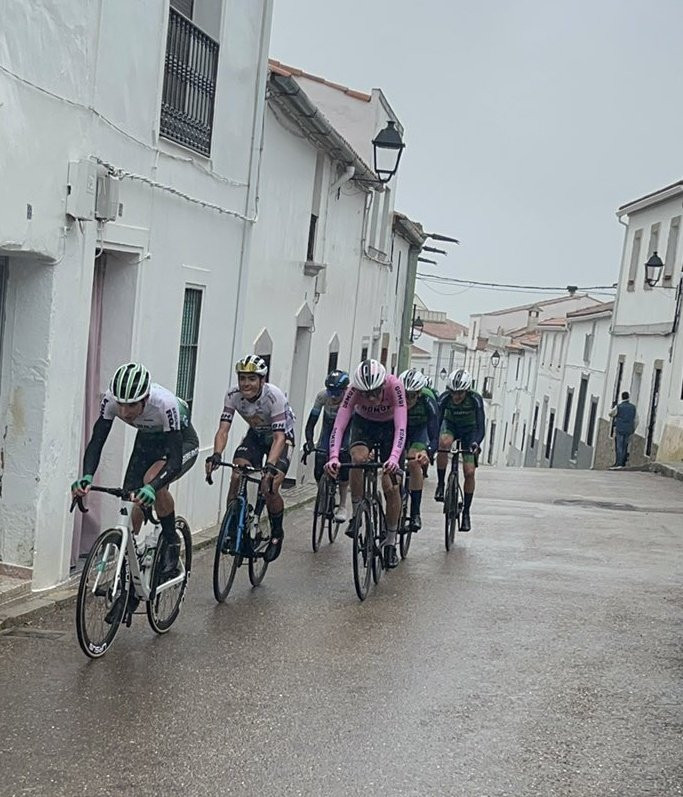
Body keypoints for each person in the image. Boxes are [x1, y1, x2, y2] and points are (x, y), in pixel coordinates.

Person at [71, 362, 199, 621]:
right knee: (131, 499)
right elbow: (97, 440)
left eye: (132, 405)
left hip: (180, 442)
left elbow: (174, 460)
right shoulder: (110, 401)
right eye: (122, 405)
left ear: (145, 398)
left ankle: (172, 542)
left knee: (153, 480)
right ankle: (130, 571)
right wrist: (85, 476)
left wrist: (152, 487)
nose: (126, 412)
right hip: (147, 441)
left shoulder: (165, 405)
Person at [205, 355, 295, 563]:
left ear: (262, 380)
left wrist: (271, 467)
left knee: (270, 485)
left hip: (280, 438)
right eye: (242, 378)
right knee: (238, 473)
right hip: (255, 436)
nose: (246, 383)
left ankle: (276, 534)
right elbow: (223, 429)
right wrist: (217, 454)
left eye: (252, 379)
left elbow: (280, 437)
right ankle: (233, 523)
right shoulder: (233, 395)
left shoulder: (274, 397)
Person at [325, 359, 407, 569]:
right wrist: (333, 457)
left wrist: (393, 458)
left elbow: (401, 427)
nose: (371, 398)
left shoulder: (395, 385)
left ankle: (390, 542)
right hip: (365, 425)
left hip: (390, 428)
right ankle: (357, 512)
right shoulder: (353, 391)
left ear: (383, 385)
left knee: (391, 485)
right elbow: (339, 427)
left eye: (376, 392)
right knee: (357, 459)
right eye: (366, 394)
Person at [434, 368, 485, 532]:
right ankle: (441, 484)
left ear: (467, 391)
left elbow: (481, 426)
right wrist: (434, 443)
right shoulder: (444, 399)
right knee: (444, 443)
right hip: (451, 427)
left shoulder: (475, 399)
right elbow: (437, 422)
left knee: (469, 472)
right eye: (453, 392)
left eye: (460, 393)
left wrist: (476, 443)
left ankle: (466, 513)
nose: (456, 397)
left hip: (470, 432)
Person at [302, 370, 351, 522]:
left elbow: (357, 426)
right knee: (319, 465)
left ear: (344, 390)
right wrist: (309, 441)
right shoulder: (322, 396)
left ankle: (342, 504)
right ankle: (324, 494)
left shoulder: (350, 399)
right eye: (331, 392)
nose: (334, 397)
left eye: (337, 393)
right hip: (328, 430)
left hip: (347, 430)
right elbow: (311, 422)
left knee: (344, 461)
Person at [399, 368, 439, 531]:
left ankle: (415, 513)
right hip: (399, 431)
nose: (408, 400)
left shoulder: (428, 400)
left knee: (414, 461)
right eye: (404, 395)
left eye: (412, 396)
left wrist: (428, 451)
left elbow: (434, 433)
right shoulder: (394, 398)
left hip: (419, 431)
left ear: (419, 393)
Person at [609, 391, 638, 469]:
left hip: (620, 429)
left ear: (622, 397)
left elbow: (611, 413)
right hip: (629, 430)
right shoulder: (633, 407)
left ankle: (619, 463)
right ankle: (623, 463)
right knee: (625, 445)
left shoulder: (619, 407)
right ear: (628, 397)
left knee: (619, 446)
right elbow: (636, 420)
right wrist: (633, 428)